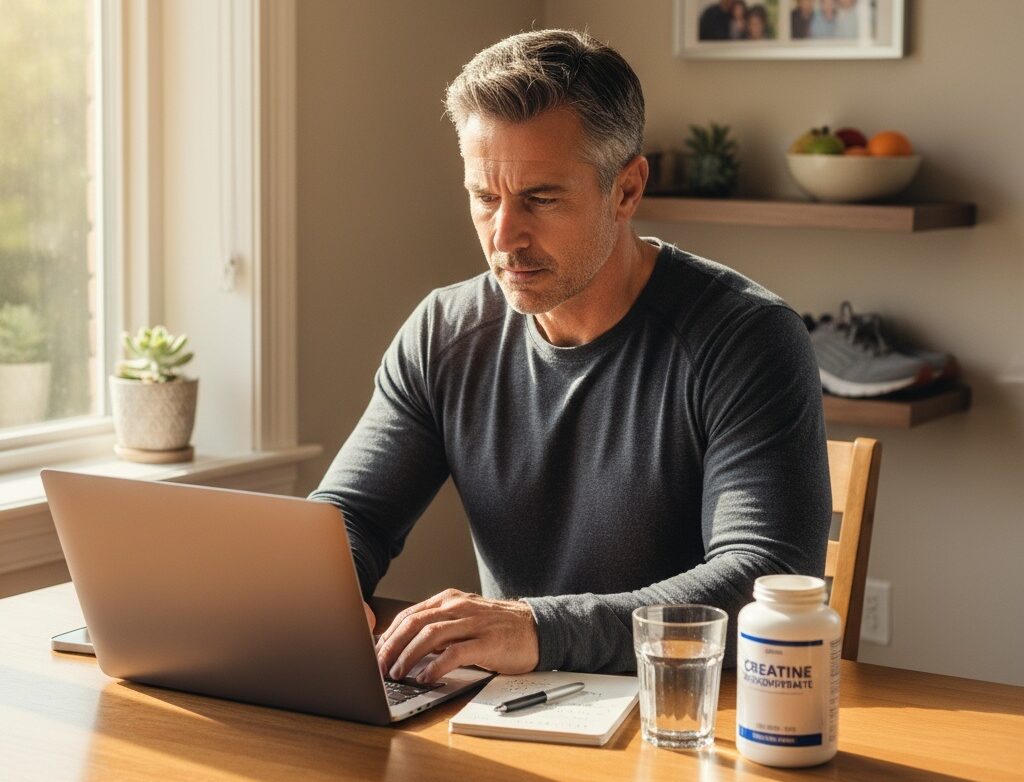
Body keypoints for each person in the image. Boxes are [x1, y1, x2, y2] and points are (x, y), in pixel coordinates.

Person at [310, 29, 831, 685]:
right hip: (515, 710)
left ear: (627, 189)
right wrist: (324, 594)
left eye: (541, 199)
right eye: (484, 197)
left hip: (695, 719)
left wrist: (536, 628)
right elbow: (350, 518)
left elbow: (765, 576)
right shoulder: (444, 331)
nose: (505, 238)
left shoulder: (746, 338)